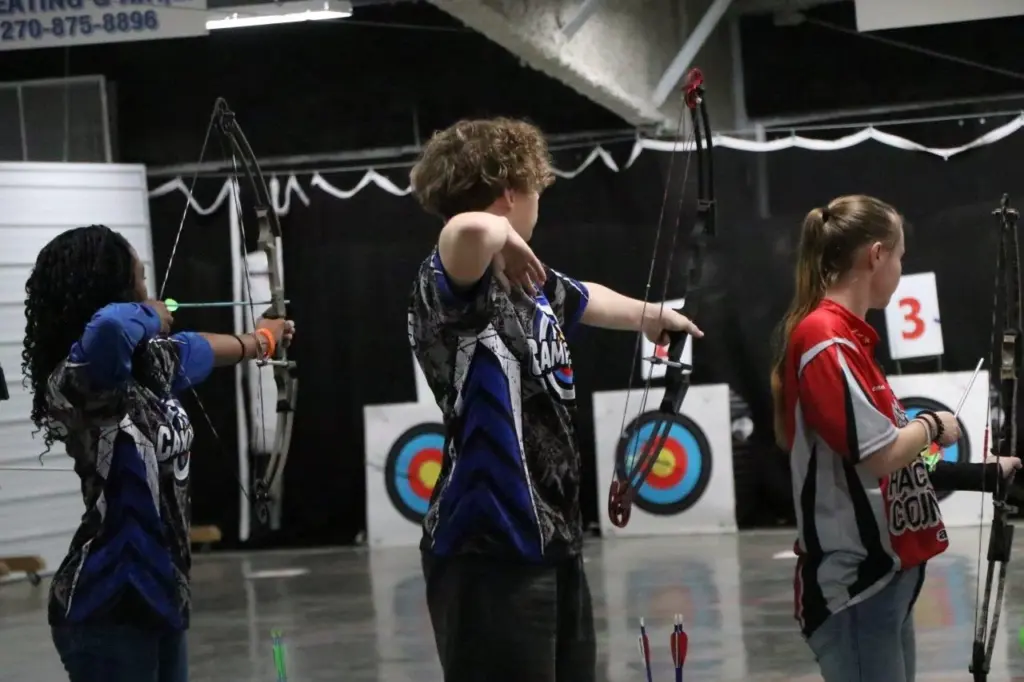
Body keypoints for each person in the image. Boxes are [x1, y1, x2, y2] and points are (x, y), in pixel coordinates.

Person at [406, 117, 703, 682]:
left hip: (551, 540)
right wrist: (506, 236)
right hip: (487, 548)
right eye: (535, 189)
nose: (539, 203)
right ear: (510, 192)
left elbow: (586, 298)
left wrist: (651, 316)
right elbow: (465, 230)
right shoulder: (451, 279)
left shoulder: (524, 281)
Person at [22, 225, 295, 682]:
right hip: (106, 602)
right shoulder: (79, 379)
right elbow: (112, 329)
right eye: (140, 277)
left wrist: (262, 341)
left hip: (162, 595)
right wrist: (150, 312)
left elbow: (198, 348)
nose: (149, 287)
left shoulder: (150, 363)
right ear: (114, 288)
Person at [770, 195, 1020, 682]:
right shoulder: (825, 339)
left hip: (886, 582)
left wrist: (984, 474)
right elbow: (881, 456)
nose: (901, 269)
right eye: (900, 256)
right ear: (877, 255)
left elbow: (896, 465)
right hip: (855, 586)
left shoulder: (849, 340)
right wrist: (932, 425)